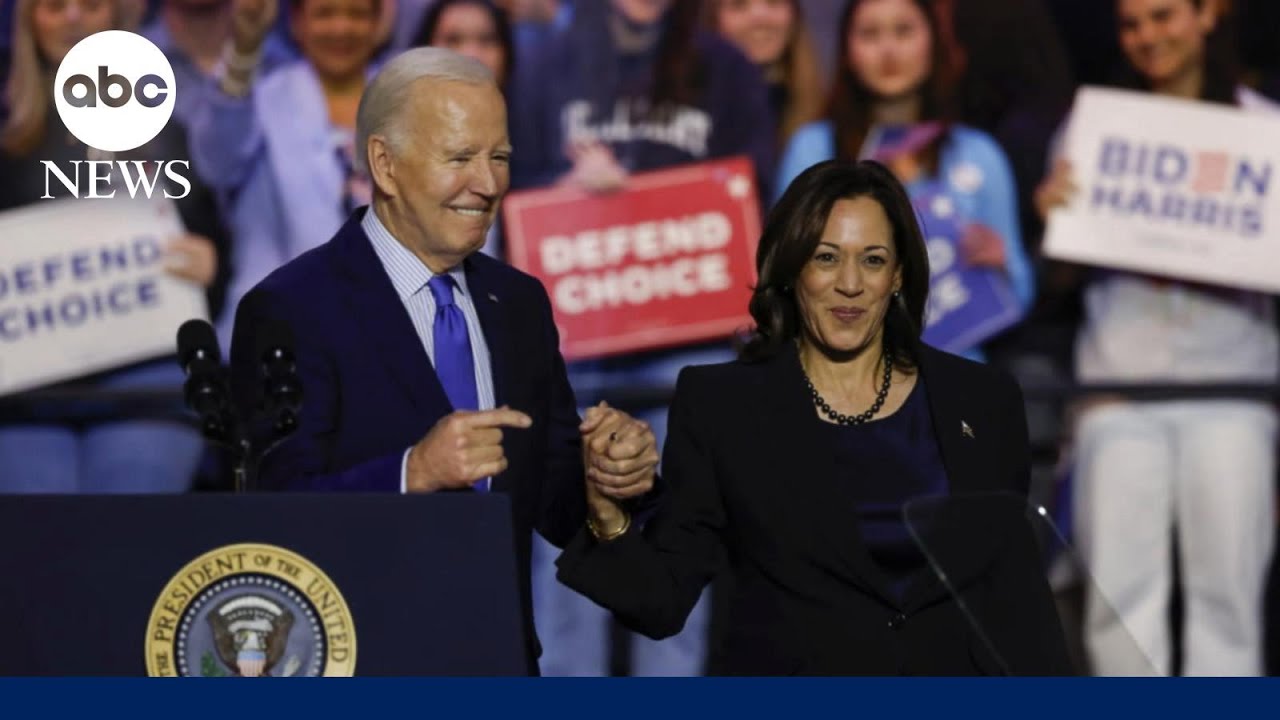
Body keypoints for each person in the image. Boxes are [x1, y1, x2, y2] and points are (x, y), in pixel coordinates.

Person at [228, 47, 660, 675]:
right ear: (385, 163)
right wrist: (414, 471)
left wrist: (608, 477)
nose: (486, 185)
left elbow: (557, 503)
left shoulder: (517, 302)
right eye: (459, 158)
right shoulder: (291, 308)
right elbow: (273, 517)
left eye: (500, 158)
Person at [556, 159, 1073, 676]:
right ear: (791, 267)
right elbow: (660, 603)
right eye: (827, 258)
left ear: (898, 275)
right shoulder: (722, 404)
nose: (850, 284)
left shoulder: (981, 399)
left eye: (872, 260)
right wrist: (608, 516)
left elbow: (1012, 596)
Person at [1034, 0, 1277, 677]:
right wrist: (1052, 218)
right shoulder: (1094, 129)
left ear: (1208, 16)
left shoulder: (1267, 132)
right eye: (1132, 24)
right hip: (1118, 389)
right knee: (1118, 600)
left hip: (1234, 387)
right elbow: (1056, 279)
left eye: (1164, 16)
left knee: (1226, 598)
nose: (1148, 36)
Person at [0, 0, 228, 494]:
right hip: (23, 385)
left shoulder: (165, 133)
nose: (74, 18)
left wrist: (208, 264)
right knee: (38, 519)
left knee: (128, 505)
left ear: (118, 19)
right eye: (55, 6)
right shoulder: (5, 134)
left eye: (91, 4)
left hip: (145, 374)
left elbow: (212, 254)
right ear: (29, 23)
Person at [775, 0, 1034, 362]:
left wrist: (1000, 266)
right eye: (870, 34)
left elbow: (1020, 294)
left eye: (904, 31)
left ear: (933, 42)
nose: (889, 49)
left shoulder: (977, 153)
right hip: (836, 374)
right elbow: (779, 276)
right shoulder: (812, 147)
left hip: (953, 373)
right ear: (846, 51)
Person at [188, 0, 382, 348]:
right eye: (325, 14)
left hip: (386, 336)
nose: (341, 28)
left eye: (357, 14)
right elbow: (216, 162)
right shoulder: (261, 98)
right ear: (297, 24)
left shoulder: (408, 100)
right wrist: (244, 51)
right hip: (278, 339)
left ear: (378, 23)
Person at [707, 0, 824, 150]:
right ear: (713, 19)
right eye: (739, 5)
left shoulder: (826, 118)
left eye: (773, 2)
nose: (760, 17)